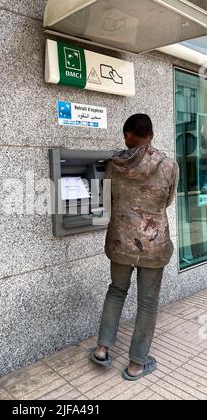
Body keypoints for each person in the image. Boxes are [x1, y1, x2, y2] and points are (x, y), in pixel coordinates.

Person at [90, 114, 179, 381]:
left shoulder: (115, 164)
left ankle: (103, 349)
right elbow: (167, 202)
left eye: (125, 134)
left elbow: (106, 199)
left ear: (129, 134)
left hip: (120, 242)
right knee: (148, 303)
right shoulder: (168, 164)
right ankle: (136, 365)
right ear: (151, 134)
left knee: (116, 291)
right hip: (153, 245)